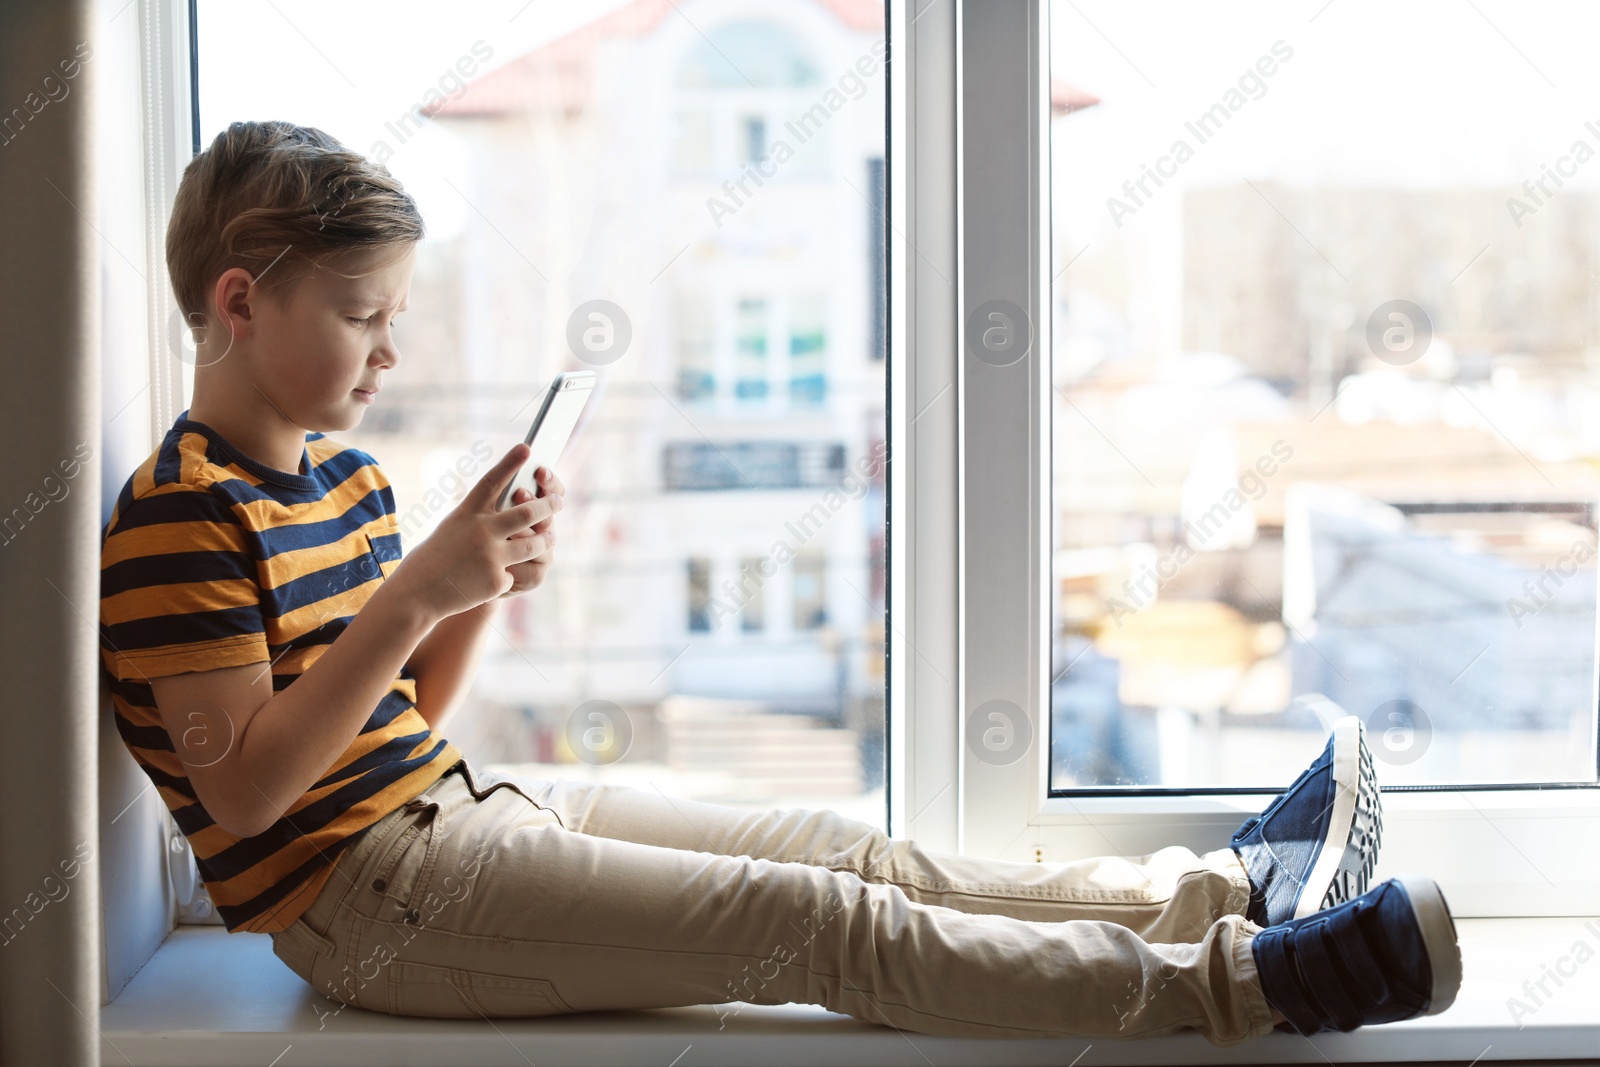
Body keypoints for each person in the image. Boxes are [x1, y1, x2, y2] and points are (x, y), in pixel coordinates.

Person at [97, 120, 1461, 1045]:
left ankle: (1208, 892)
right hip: (365, 908)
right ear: (239, 303)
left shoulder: (346, 486)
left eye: (395, 316)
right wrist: (419, 596)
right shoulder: (178, 517)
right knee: (810, 925)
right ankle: (1244, 987)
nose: (386, 353)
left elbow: (399, 716)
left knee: (833, 847)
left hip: (451, 812)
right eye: (360, 316)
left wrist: (478, 583)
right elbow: (252, 793)